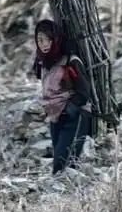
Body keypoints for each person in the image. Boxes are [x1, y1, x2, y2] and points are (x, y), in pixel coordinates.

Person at [32, 19, 93, 174]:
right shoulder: (42, 63)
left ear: (56, 39)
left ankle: (68, 187)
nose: (44, 44)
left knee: (64, 164)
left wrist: (69, 109)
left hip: (74, 117)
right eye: (40, 40)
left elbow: (84, 91)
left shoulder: (70, 62)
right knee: (60, 160)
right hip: (54, 116)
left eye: (49, 39)